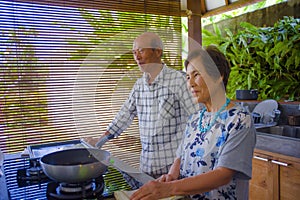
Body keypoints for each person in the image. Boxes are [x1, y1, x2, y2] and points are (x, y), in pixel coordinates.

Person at [130, 45, 256, 200]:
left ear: (218, 76)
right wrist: (170, 176)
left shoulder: (239, 119)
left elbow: (223, 175)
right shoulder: (195, 119)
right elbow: (180, 157)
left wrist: (169, 188)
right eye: (188, 77)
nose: (190, 84)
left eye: (196, 75)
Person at [85, 32, 198, 179]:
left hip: (175, 169)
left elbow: (196, 121)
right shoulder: (139, 86)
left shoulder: (180, 80)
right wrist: (99, 141)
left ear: (158, 52)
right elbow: (124, 116)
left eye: (142, 50)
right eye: (134, 52)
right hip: (147, 167)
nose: (137, 57)